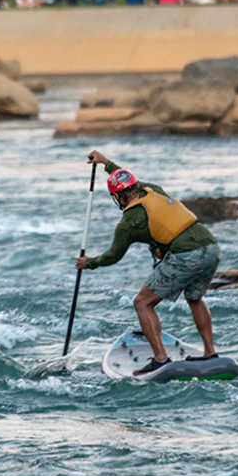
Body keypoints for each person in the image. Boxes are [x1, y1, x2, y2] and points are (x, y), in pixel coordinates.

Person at [75, 150, 222, 378]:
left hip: (187, 254)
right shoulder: (153, 190)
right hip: (211, 247)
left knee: (143, 303)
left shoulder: (129, 222)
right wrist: (106, 162)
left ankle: (161, 359)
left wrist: (89, 263)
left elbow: (113, 256)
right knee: (194, 298)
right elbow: (128, 178)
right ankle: (210, 352)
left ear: (119, 197)